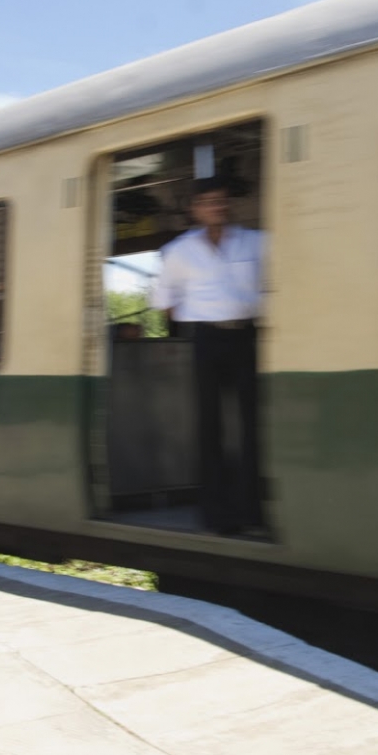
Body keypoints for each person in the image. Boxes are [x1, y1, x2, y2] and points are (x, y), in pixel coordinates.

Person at [151, 178, 266, 535]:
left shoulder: (257, 242)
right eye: (207, 202)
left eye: (221, 200)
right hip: (206, 340)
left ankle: (250, 512)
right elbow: (163, 302)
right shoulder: (179, 251)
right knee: (210, 427)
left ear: (228, 204)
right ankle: (217, 516)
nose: (216, 206)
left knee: (252, 426)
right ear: (195, 210)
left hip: (247, 336)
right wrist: (200, 318)